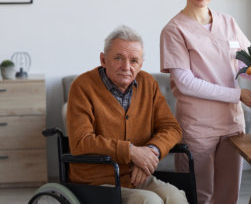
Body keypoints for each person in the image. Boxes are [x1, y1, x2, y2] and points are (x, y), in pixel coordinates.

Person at [160, 0, 251, 203]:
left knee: (228, 195)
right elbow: (185, 82)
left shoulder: (228, 22)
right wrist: (238, 94)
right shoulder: (174, 30)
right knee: (199, 196)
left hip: (231, 124)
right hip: (198, 127)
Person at [66, 25, 188, 204]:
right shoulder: (82, 87)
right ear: (103, 59)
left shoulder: (148, 84)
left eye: (133, 61)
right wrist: (131, 152)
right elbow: (80, 142)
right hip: (97, 182)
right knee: (150, 201)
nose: (126, 67)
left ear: (141, 65)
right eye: (118, 58)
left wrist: (149, 153)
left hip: (138, 177)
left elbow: (172, 128)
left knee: (176, 197)